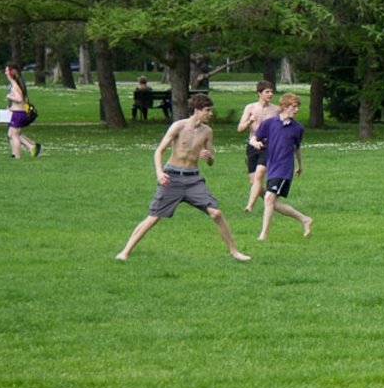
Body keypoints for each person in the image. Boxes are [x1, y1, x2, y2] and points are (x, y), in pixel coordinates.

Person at [115, 93, 251, 262]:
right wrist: (159, 173)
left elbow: (211, 162)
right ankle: (125, 251)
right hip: (172, 177)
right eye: (207, 110)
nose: (210, 113)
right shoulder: (178, 127)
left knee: (216, 213)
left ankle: (235, 252)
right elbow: (159, 151)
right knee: (154, 217)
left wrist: (208, 157)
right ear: (197, 110)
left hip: (194, 180)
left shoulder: (207, 131)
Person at [249, 92, 313, 240]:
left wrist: (300, 165)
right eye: (293, 107)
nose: (296, 110)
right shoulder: (269, 123)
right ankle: (304, 219)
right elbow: (253, 138)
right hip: (272, 166)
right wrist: (256, 143)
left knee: (269, 198)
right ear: (284, 107)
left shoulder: (298, 128)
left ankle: (263, 235)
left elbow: (297, 148)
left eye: (297, 107)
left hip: (284, 168)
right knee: (273, 202)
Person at [236, 80, 278, 212]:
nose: (270, 94)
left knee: (260, 175)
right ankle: (271, 202)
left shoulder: (276, 110)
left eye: (271, 91)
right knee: (254, 182)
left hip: (267, 146)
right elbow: (240, 128)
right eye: (267, 92)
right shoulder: (250, 108)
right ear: (259, 93)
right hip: (252, 145)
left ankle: (249, 206)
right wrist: (250, 121)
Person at [4, 62, 41, 158]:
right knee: (11, 134)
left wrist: (9, 96)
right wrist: (9, 107)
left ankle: (19, 154)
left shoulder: (17, 84)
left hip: (19, 113)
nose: (5, 73)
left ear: (11, 72)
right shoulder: (14, 83)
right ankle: (29, 147)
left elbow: (21, 99)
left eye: (7, 71)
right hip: (16, 112)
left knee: (14, 134)